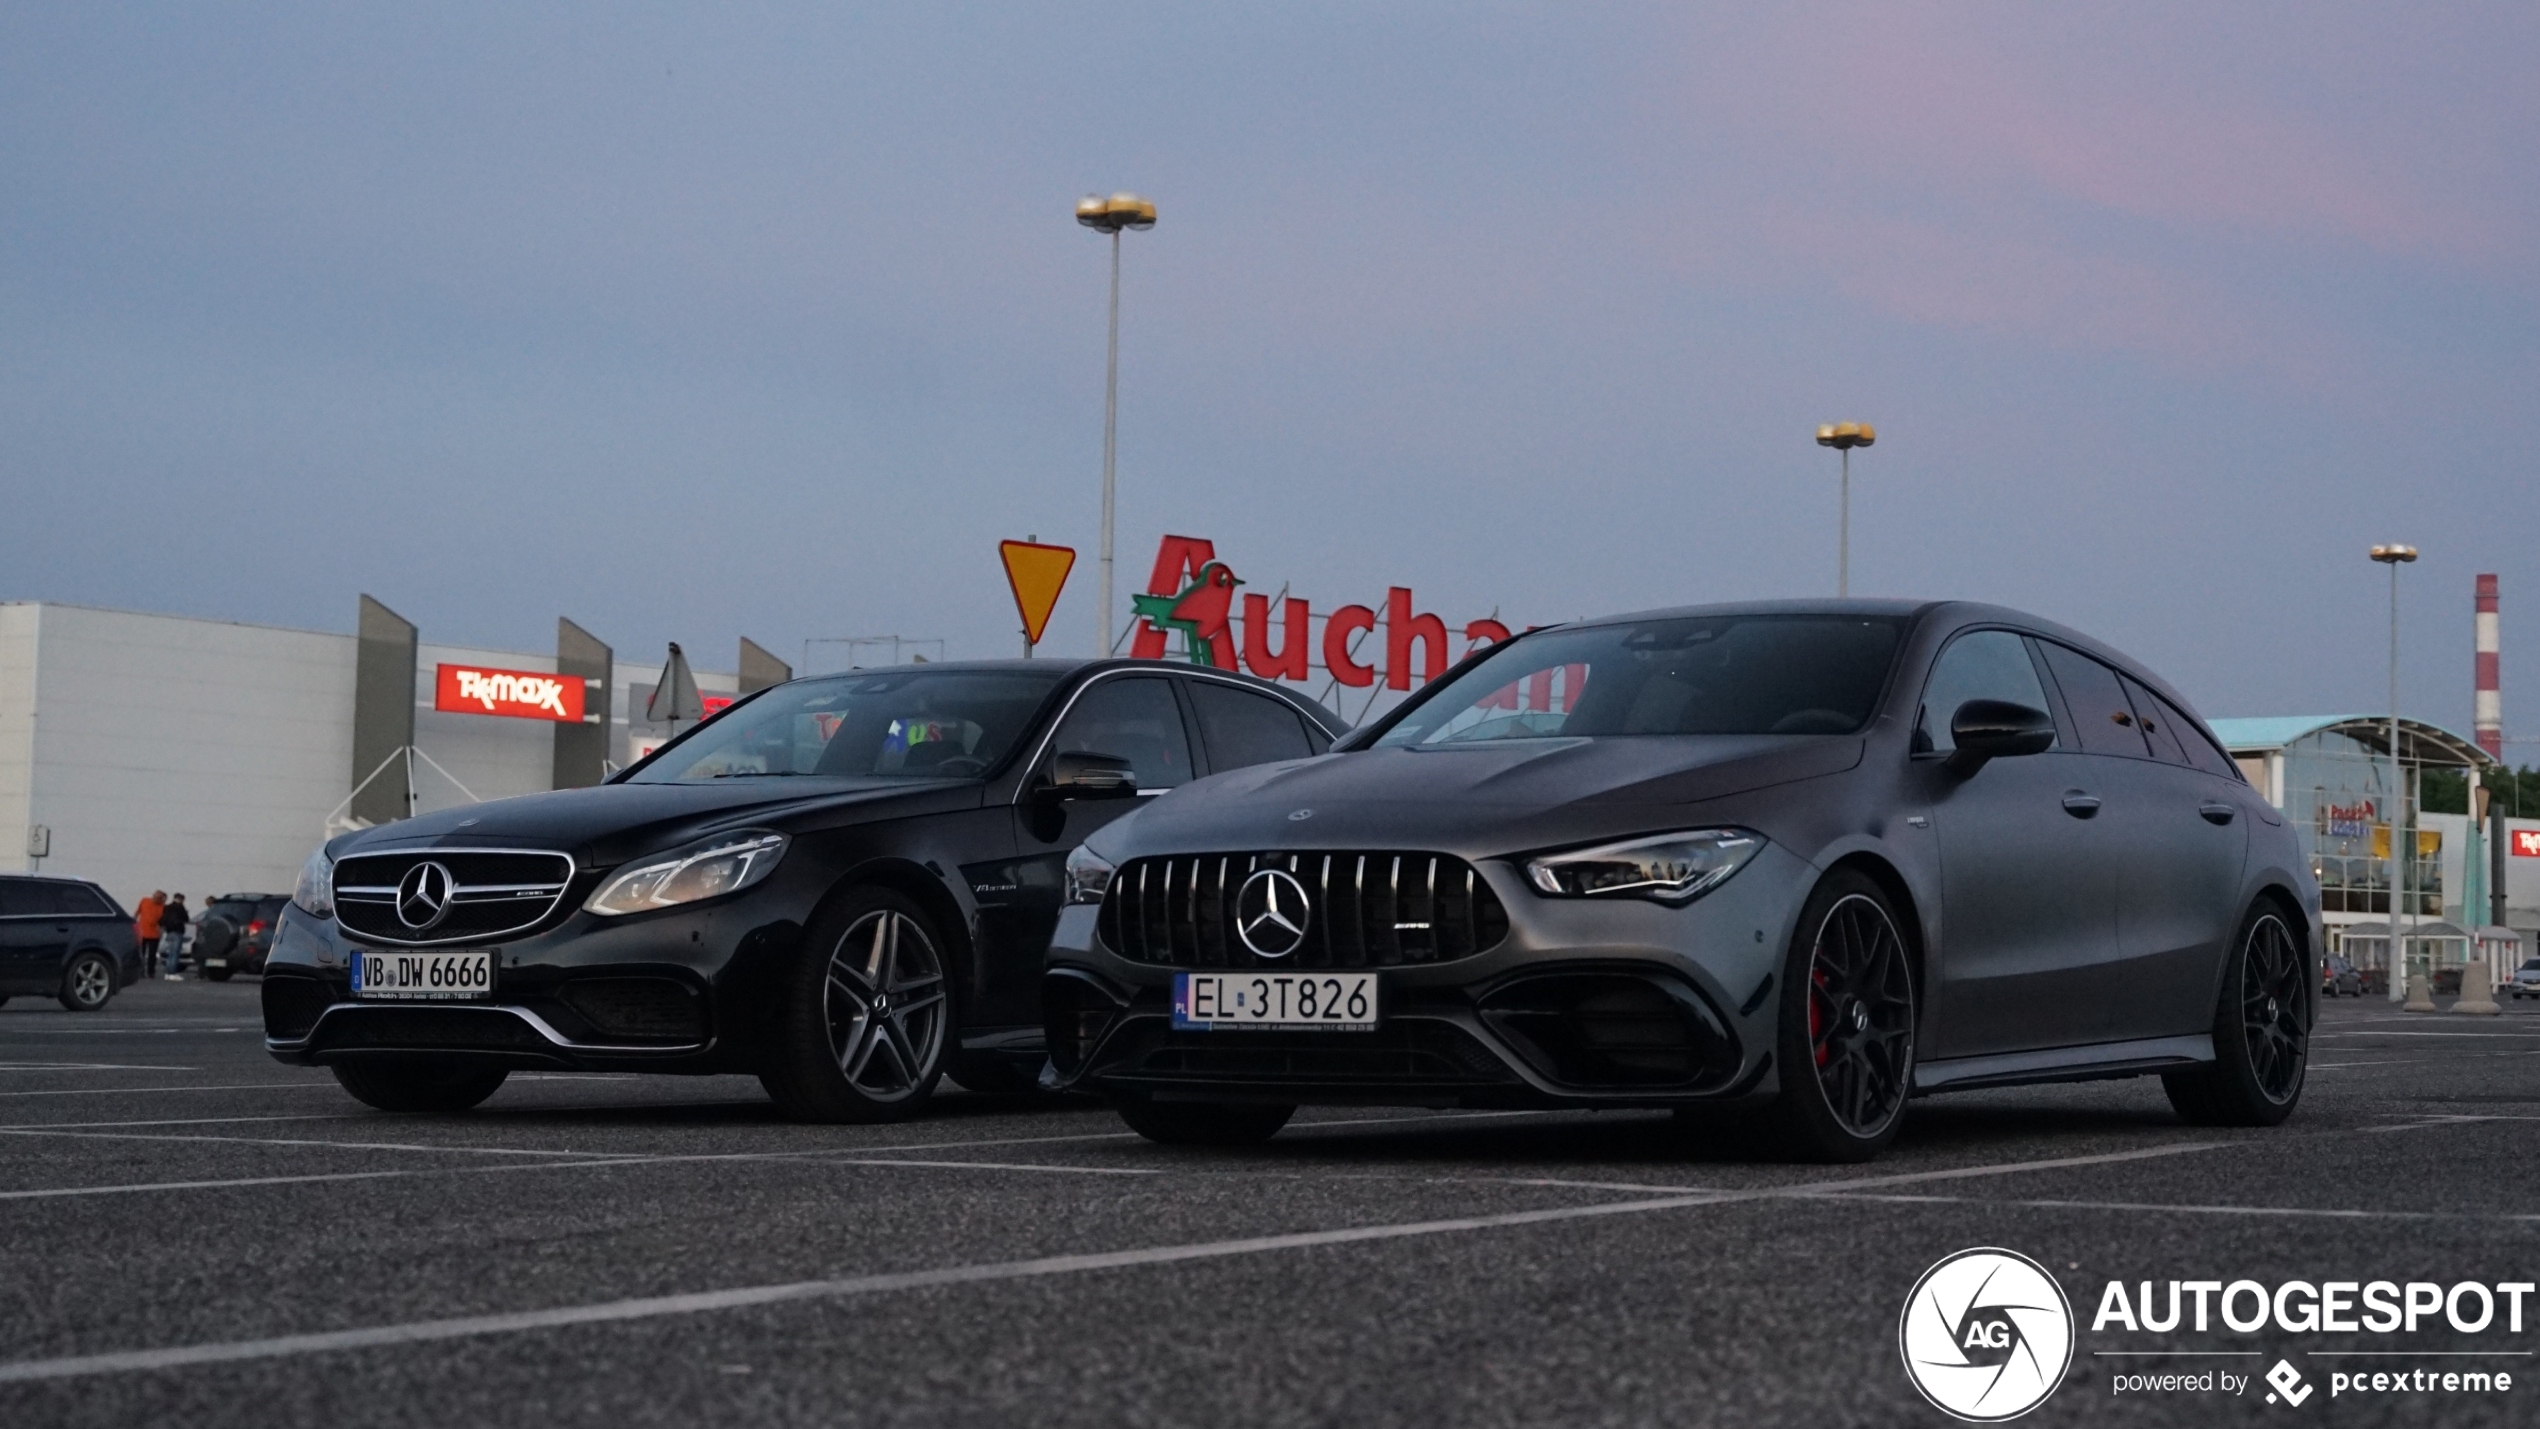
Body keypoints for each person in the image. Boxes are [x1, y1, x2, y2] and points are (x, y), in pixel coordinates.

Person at [159, 893, 189, 980]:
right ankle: (172, 973)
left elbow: (162, 920)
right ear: (181, 899)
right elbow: (186, 918)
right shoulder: (180, 907)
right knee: (175, 954)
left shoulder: (167, 907)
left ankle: (168, 973)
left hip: (169, 932)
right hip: (177, 931)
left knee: (170, 953)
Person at [135, 891, 165, 968]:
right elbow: (137, 912)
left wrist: (161, 929)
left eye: (159, 898)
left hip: (154, 934)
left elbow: (164, 920)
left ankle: (151, 971)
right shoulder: (144, 901)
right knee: (141, 953)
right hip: (142, 932)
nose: (156, 899)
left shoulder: (163, 907)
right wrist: (134, 923)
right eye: (155, 897)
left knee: (152, 954)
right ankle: (141, 970)